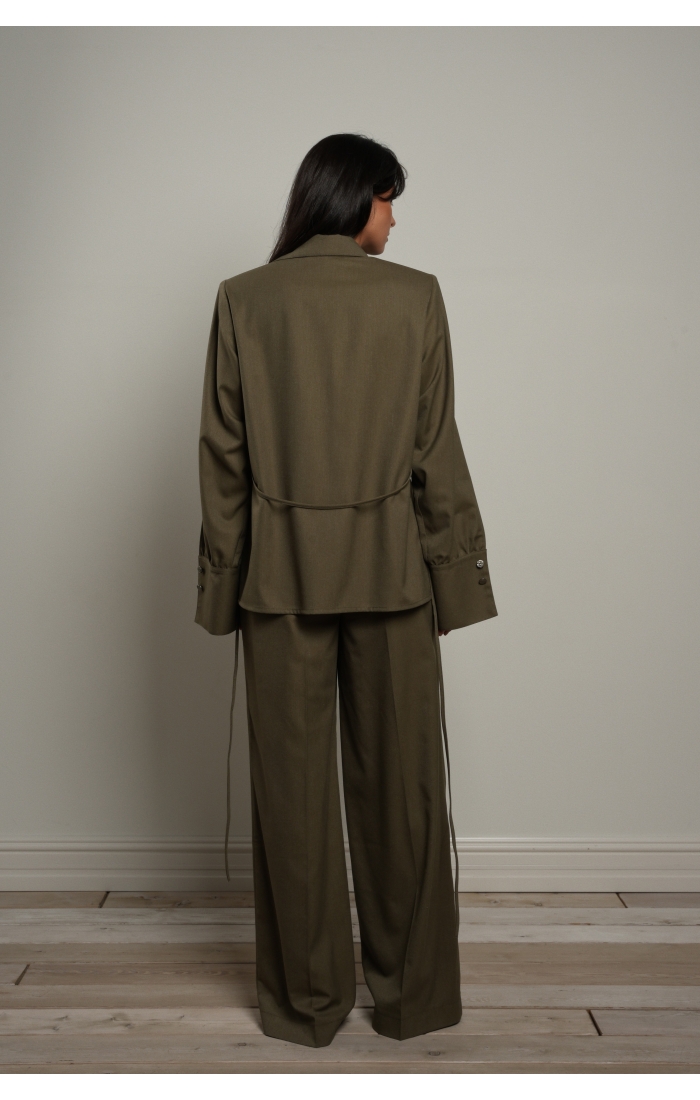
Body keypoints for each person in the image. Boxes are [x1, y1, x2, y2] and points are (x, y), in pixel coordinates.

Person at [194, 133, 497, 1048]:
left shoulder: (245, 299)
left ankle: (307, 1005)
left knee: (291, 802)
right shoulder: (416, 297)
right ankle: (413, 1001)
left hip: (277, 583)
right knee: (404, 795)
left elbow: (224, 461)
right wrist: (455, 581)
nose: (394, 219)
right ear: (355, 197)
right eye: (388, 199)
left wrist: (221, 588)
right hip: (393, 579)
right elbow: (434, 451)